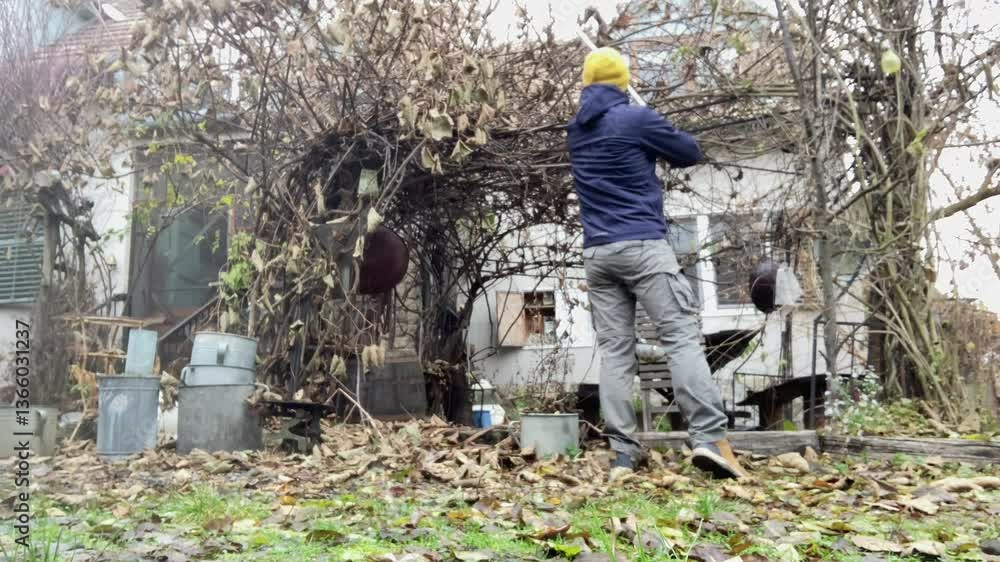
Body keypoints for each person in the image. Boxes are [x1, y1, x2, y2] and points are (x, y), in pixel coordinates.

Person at [567, 47, 748, 481]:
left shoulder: (577, 130)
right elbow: (690, 151)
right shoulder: (636, 118)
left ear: (587, 84)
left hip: (598, 253)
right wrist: (653, 118)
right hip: (643, 246)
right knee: (681, 339)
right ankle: (709, 439)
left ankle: (623, 455)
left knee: (614, 353)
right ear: (624, 82)